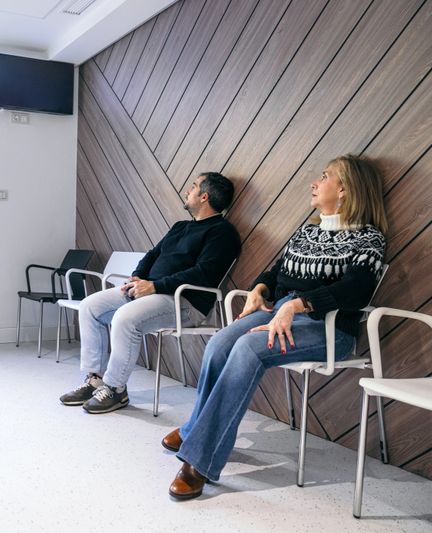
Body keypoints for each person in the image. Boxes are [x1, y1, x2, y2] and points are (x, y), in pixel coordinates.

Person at [163, 154, 388, 500]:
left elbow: (357, 290)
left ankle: (199, 460)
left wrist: (299, 304)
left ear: (344, 190)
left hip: (326, 326)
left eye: (324, 177)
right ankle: (197, 429)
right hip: (280, 312)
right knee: (220, 343)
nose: (314, 183)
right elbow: (276, 271)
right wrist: (259, 289)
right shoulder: (308, 230)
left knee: (249, 350)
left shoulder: (367, 238)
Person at [59, 172, 241, 414]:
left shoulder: (222, 233)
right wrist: (137, 277)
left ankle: (115, 389)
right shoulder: (180, 227)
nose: (188, 190)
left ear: (204, 196)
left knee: (126, 318)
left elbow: (203, 274)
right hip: (150, 291)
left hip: (184, 301)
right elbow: (153, 254)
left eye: (194, 186)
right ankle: (96, 379)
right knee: (90, 307)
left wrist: (155, 286)